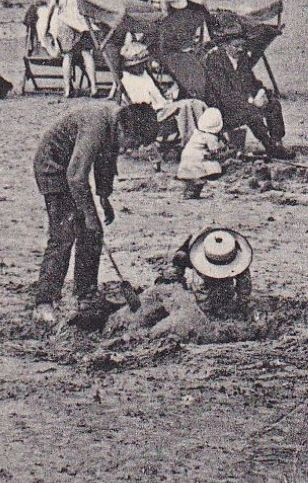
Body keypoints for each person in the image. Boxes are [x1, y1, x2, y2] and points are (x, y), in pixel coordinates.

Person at [31, 102, 159, 327]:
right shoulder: (96, 125)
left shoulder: (114, 124)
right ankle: (44, 302)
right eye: (133, 143)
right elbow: (76, 176)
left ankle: (86, 295)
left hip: (71, 169)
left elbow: (105, 160)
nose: (130, 149)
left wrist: (104, 196)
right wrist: (90, 215)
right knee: (64, 233)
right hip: (52, 166)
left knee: (92, 233)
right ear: (124, 129)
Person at [206, 33, 292, 159]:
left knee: (273, 105)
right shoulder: (215, 61)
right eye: (236, 46)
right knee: (251, 111)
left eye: (243, 45)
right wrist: (251, 101)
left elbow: (253, 82)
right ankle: (269, 145)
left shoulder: (242, 60)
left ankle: (276, 141)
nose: (240, 49)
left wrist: (263, 93)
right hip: (223, 109)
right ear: (225, 45)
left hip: (242, 104)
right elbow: (224, 94)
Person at [116, 41, 206, 144]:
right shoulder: (128, 79)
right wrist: (164, 103)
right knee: (186, 105)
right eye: (141, 64)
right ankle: (191, 142)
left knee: (197, 104)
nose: (144, 66)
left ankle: (206, 135)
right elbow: (142, 103)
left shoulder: (144, 74)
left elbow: (157, 95)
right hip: (152, 113)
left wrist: (166, 99)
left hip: (162, 107)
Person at [162, 226, 253, 319]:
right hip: (189, 258)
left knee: (224, 295)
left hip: (224, 262)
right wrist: (208, 314)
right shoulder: (193, 257)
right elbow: (200, 291)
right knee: (172, 278)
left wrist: (241, 306)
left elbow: (244, 285)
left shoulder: (235, 253)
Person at [50, 0, 95, 97]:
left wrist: (48, 24)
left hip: (65, 21)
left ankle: (67, 89)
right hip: (81, 23)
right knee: (87, 54)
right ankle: (93, 87)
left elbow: (52, 5)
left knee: (67, 56)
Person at [175, 107, 228, 199]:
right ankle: (191, 192)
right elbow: (214, 151)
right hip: (198, 160)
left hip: (187, 159)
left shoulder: (197, 133)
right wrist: (224, 153)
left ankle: (190, 191)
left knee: (192, 178)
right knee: (207, 172)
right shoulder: (211, 137)